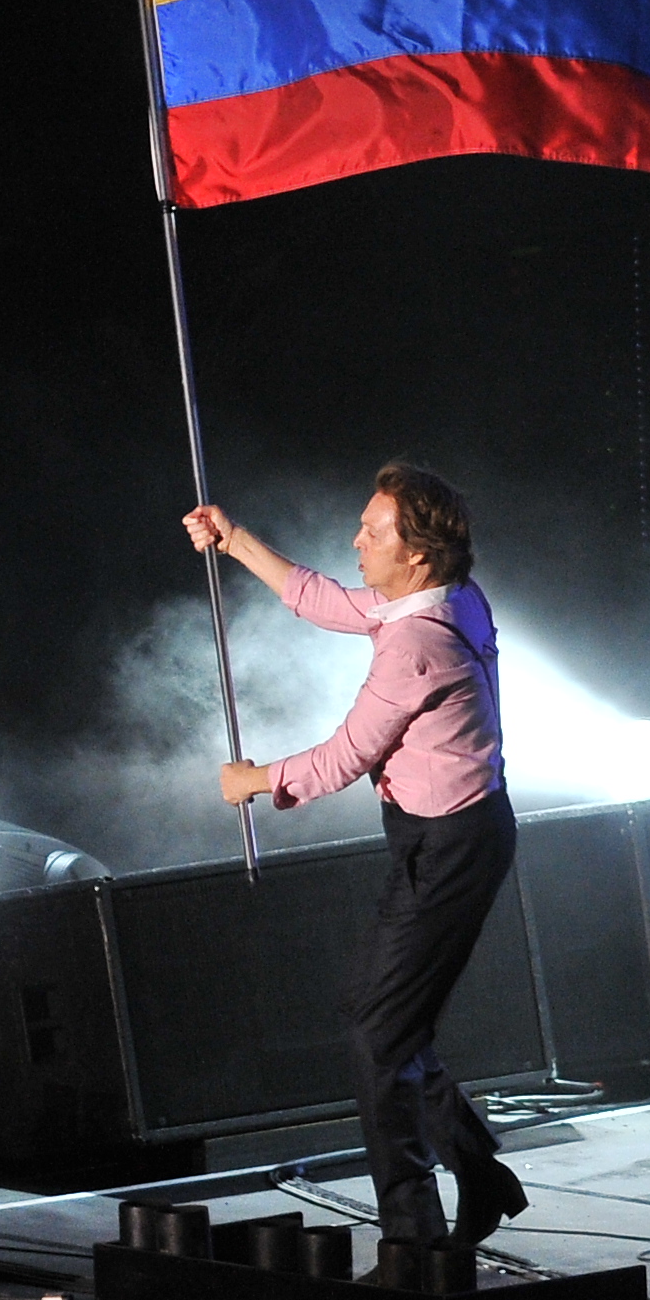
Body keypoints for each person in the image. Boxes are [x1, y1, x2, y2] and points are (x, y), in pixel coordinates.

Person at [183, 467, 531, 1252]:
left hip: (452, 848)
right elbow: (329, 602)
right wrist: (232, 539)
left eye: (374, 533)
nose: (357, 541)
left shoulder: (415, 643)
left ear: (416, 556)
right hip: (448, 838)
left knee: (377, 1029)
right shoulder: (439, 598)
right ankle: (478, 1169)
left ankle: (412, 1234)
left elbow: (345, 755)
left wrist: (257, 780)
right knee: (383, 1019)